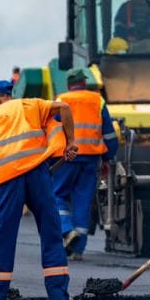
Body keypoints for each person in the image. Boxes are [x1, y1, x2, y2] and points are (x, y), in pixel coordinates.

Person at [0, 79, 79, 300]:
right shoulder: (31, 105)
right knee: (51, 232)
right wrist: (71, 141)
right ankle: (60, 299)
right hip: (38, 174)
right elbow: (64, 108)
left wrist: (5, 199)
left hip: (9, 179)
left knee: (2, 236)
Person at [52, 68, 119, 261]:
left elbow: (52, 130)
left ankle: (66, 230)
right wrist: (107, 158)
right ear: (84, 82)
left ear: (68, 84)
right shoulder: (97, 100)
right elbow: (109, 135)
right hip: (90, 159)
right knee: (82, 201)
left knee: (57, 195)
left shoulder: (60, 99)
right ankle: (78, 250)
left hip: (65, 158)